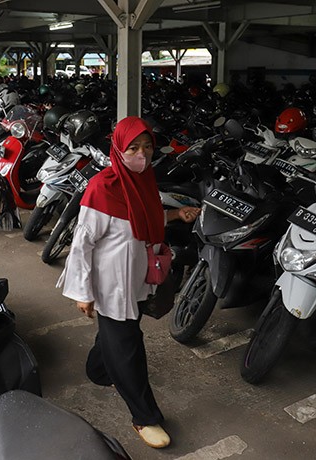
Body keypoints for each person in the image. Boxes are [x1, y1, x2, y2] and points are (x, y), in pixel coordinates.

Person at [57, 116, 200, 449]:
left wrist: (176, 216)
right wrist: (82, 291)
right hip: (110, 286)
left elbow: (144, 217)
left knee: (116, 336)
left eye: (147, 147)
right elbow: (83, 243)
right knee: (129, 346)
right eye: (133, 147)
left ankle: (99, 371)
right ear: (118, 149)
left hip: (138, 280)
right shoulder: (102, 188)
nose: (141, 154)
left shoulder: (145, 182)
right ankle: (144, 417)